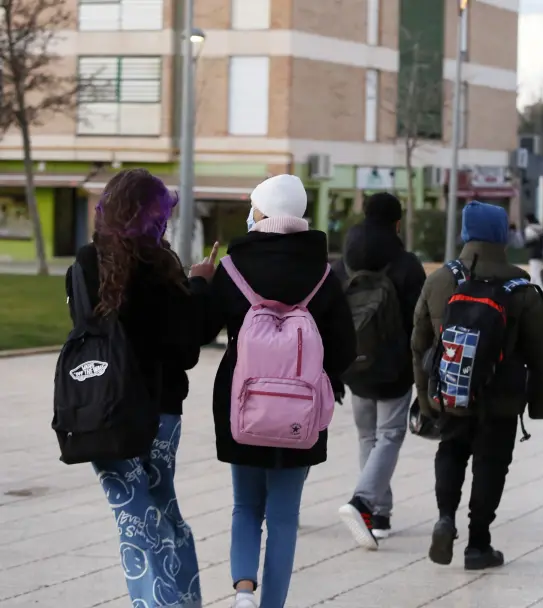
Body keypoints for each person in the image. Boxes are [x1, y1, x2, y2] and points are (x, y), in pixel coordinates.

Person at [197, 174, 357, 608]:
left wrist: (200, 282)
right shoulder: (323, 274)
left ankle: (243, 592)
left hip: (241, 406)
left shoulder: (232, 268)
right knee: (284, 517)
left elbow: (200, 329)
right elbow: (345, 349)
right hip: (300, 415)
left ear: (262, 213)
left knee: (245, 506)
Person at [64, 169, 206, 606]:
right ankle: (179, 601)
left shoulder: (85, 264)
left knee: (134, 519)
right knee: (162, 510)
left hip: (102, 411)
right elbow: (185, 350)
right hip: (160, 412)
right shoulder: (162, 267)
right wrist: (199, 285)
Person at [411, 201, 543, 571]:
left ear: (465, 234)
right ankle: (479, 544)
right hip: (502, 398)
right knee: (491, 465)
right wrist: (540, 405)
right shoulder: (520, 287)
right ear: (502, 237)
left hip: (451, 390)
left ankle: (446, 517)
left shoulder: (440, 280)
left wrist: (427, 399)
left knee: (451, 450)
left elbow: (419, 344)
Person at [331, 192, 426, 547]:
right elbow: (421, 321)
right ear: (396, 223)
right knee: (388, 435)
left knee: (367, 437)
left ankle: (379, 514)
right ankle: (363, 500)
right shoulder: (406, 264)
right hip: (393, 367)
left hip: (353, 365)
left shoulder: (343, 264)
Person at [523, 213, 543, 291]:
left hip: (533, 254)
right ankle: (531, 290)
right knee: (535, 273)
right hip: (540, 254)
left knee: (535, 274)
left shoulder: (529, 229)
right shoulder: (540, 229)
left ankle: (541, 290)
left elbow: (528, 242)